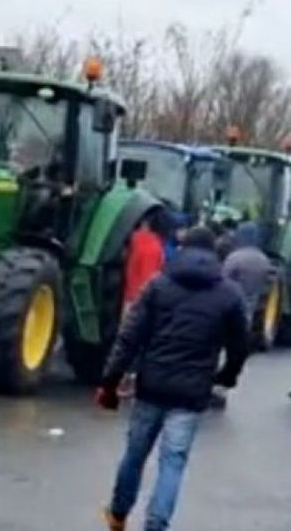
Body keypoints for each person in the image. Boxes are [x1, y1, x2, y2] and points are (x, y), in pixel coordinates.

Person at [97, 226, 248, 531]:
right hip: (192, 393)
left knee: (135, 454)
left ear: (182, 250)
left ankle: (118, 514)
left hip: (152, 386)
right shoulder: (230, 295)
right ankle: (156, 525)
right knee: (173, 461)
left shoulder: (159, 285)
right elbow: (240, 345)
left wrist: (110, 381)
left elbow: (130, 337)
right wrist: (226, 378)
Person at [117, 212, 168, 398]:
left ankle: (123, 380)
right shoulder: (155, 247)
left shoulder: (136, 241)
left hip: (130, 297)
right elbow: (151, 278)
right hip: (142, 299)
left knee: (126, 339)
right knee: (138, 342)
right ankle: (128, 381)